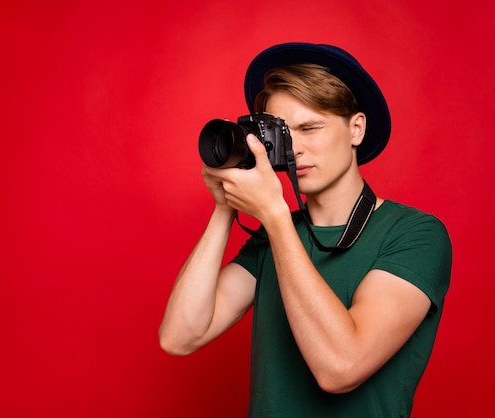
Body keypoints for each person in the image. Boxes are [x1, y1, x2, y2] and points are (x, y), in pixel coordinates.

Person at [159, 42, 452, 417]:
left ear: (356, 129)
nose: (294, 149)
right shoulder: (274, 234)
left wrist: (276, 217)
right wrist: (224, 205)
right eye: (284, 133)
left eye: (310, 127)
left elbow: (340, 367)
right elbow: (180, 336)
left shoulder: (415, 233)